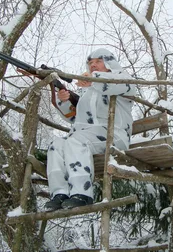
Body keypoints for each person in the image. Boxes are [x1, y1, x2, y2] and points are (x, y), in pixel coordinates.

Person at [44, 48, 136, 211]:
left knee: (76, 141)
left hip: (113, 135)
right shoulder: (87, 92)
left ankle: (82, 193)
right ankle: (60, 193)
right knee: (56, 145)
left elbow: (121, 84)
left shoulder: (123, 79)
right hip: (86, 137)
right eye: (90, 63)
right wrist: (65, 101)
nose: (93, 65)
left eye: (98, 61)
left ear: (109, 62)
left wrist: (94, 80)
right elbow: (75, 118)